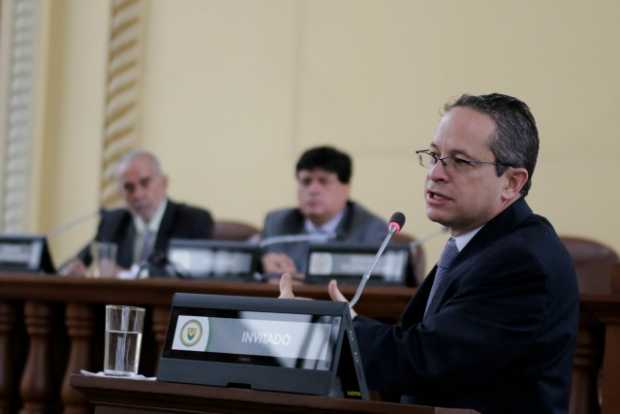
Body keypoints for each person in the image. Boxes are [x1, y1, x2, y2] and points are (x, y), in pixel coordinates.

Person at [280, 93, 579, 413]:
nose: (435, 173)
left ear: (511, 183)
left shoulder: (520, 261)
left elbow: (425, 361)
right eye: (435, 156)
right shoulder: (483, 245)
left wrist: (331, 328)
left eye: (460, 161)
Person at [61, 150, 214, 276]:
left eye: (145, 183)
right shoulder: (113, 222)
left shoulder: (193, 220)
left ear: (164, 182)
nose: (137, 194)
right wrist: (71, 270)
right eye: (129, 187)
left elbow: (188, 277)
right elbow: (78, 262)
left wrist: (124, 275)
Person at [261, 145, 388, 276]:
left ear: (346, 188)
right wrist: (262, 265)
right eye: (306, 181)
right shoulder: (277, 224)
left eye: (324, 181)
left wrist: (300, 283)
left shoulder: (372, 231)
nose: (313, 190)